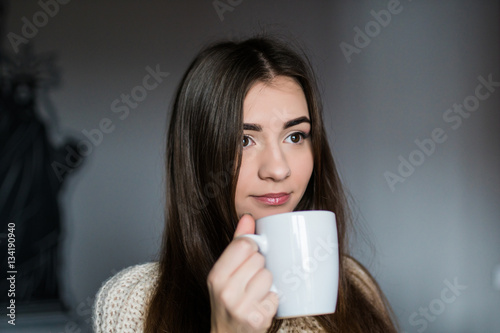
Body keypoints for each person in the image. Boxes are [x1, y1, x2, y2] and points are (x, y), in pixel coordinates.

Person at [93, 35, 398, 332]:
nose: (278, 170)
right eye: (244, 140)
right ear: (198, 155)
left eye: (295, 136)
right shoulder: (136, 302)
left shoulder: (355, 285)